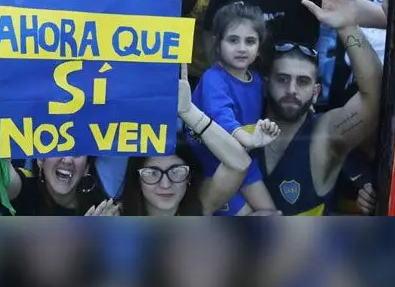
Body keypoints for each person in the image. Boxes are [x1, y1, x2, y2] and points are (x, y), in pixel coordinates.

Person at [257, 0, 384, 216]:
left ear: (316, 91)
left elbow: (374, 98)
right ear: (266, 84)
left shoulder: (323, 136)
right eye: (283, 79)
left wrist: (348, 25)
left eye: (303, 81)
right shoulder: (241, 128)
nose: (292, 88)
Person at [89, 65, 274, 217]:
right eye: (152, 173)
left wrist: (189, 113)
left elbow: (240, 163)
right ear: (138, 178)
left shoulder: (200, 206)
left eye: (176, 172)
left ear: (189, 177)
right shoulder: (116, 217)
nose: (165, 184)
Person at [189, 2, 282, 215]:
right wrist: (247, 139)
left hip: (247, 163)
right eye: (233, 40)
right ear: (217, 43)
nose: (242, 48)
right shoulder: (213, 78)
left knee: (271, 214)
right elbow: (221, 115)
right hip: (216, 166)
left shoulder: (257, 80)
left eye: (250, 41)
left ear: (259, 47)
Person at [0, 70, 108, 215]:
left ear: (87, 168)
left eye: (77, 152)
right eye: (58, 147)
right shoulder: (26, 188)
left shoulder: (103, 208)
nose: (67, 160)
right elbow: (2, 187)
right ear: (40, 159)